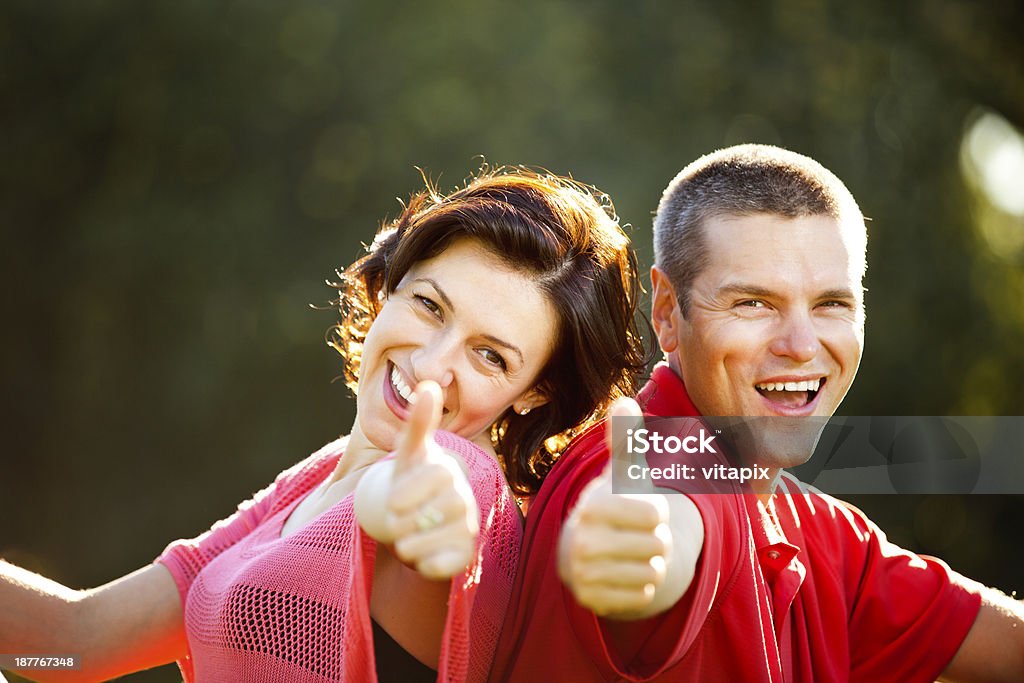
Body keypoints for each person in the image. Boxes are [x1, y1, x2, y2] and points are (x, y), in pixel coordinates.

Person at [0, 167, 648, 682]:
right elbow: (71, 644)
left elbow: (433, 497)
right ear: (391, 282)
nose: (430, 364)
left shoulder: (463, 481)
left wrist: (425, 508)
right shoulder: (317, 477)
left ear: (535, 392)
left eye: (489, 355)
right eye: (428, 304)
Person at [492, 145, 1024, 682]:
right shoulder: (645, 470)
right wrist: (648, 554)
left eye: (831, 304)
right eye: (753, 303)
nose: (801, 344)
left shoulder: (826, 537)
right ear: (667, 313)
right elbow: (679, 519)